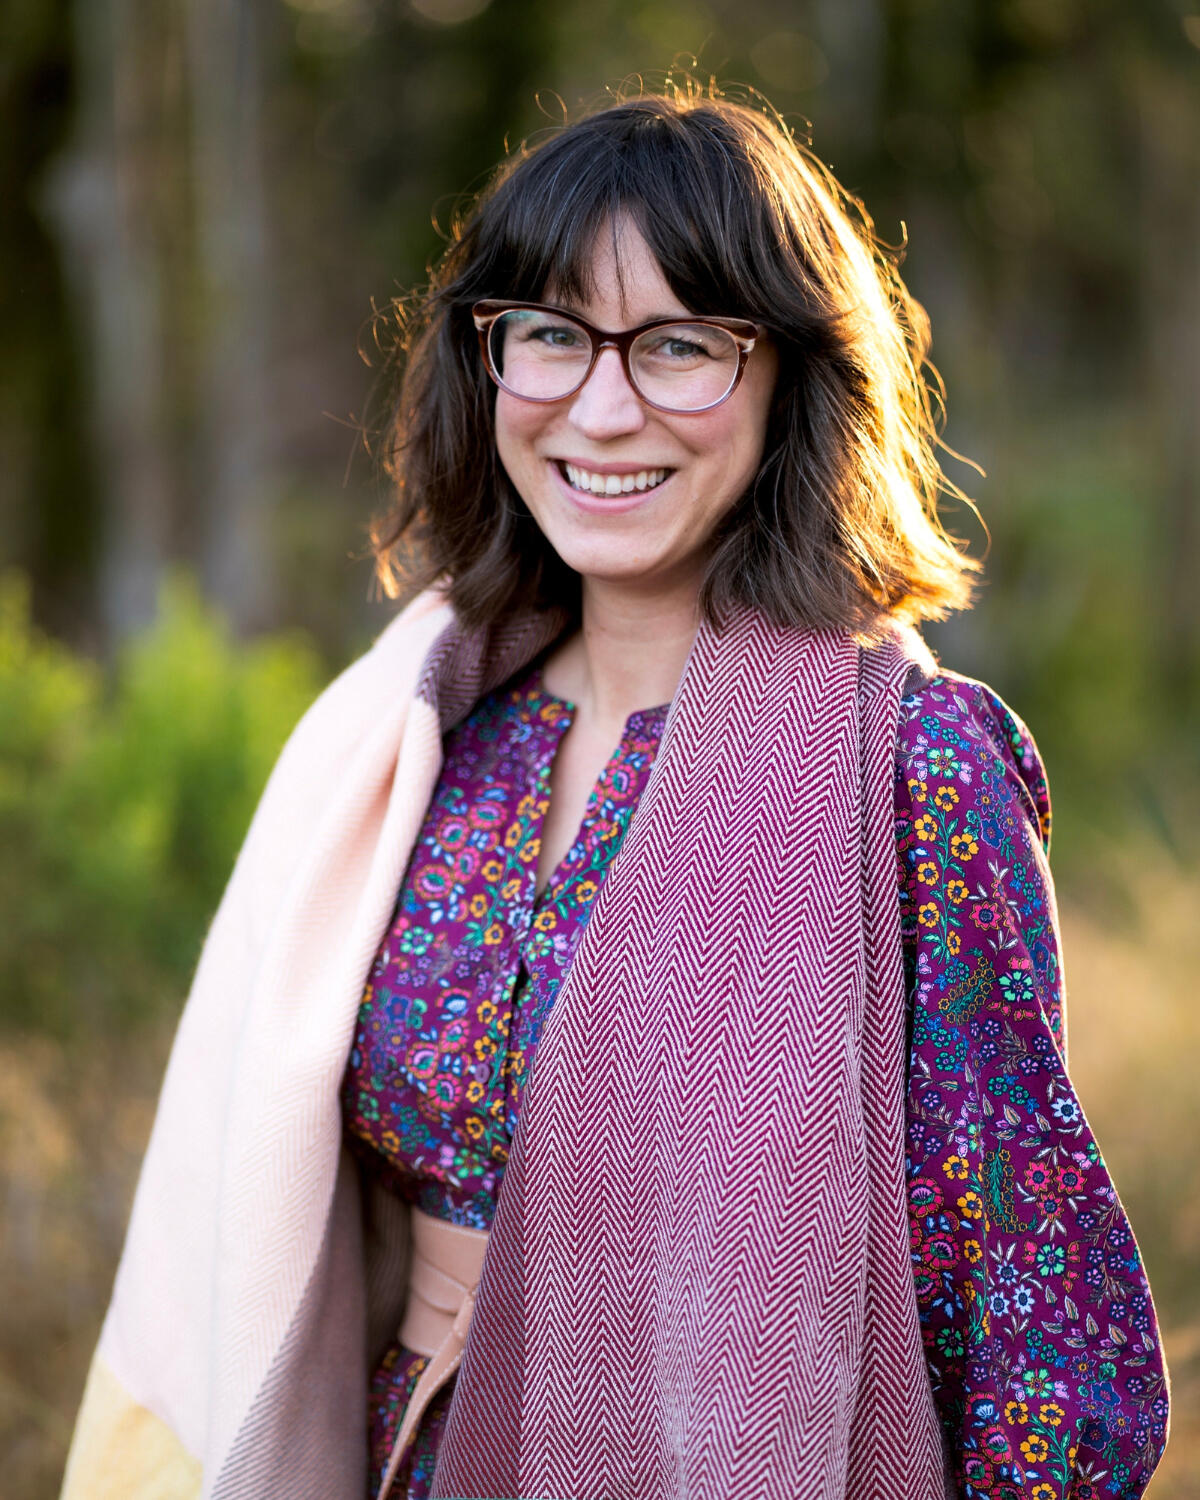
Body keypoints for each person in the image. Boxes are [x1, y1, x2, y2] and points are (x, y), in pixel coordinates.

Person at [61, 87, 1168, 1500]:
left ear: (792, 383)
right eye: (551, 335)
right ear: (490, 361)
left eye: (682, 348)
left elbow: (1030, 1306)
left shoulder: (918, 771)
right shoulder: (419, 747)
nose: (601, 404)